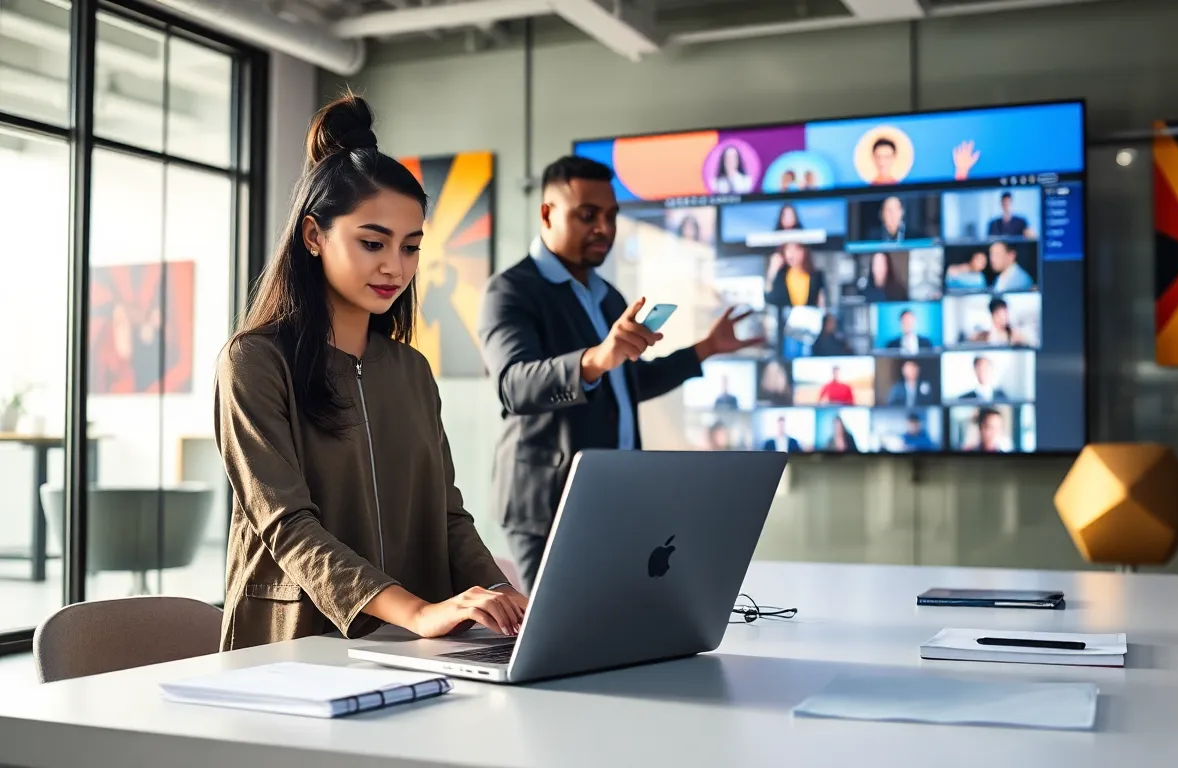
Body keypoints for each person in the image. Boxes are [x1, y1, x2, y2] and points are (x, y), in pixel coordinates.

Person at [213, 93, 524, 652]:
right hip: (295, 645)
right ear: (313, 236)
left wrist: (507, 599)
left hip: (418, 645)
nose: (394, 267)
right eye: (372, 243)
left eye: (410, 247)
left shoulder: (411, 370)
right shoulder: (253, 362)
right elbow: (287, 524)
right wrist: (418, 610)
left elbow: (448, 516)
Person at [477, 156, 762, 594]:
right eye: (587, 215)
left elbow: (628, 385)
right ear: (547, 213)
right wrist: (596, 358)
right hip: (546, 502)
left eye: (610, 216)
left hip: (611, 496)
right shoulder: (510, 290)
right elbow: (514, 386)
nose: (603, 228)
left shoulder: (607, 296)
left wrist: (705, 349)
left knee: (608, 625)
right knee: (554, 639)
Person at [765, 242, 827, 308]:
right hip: (786, 317)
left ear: (804, 251)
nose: (790, 254)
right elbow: (769, 298)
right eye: (787, 249)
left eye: (795, 249)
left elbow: (822, 303)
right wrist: (772, 271)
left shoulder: (815, 276)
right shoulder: (781, 276)